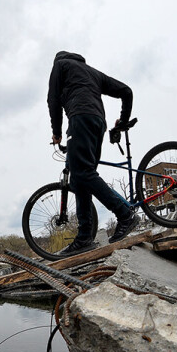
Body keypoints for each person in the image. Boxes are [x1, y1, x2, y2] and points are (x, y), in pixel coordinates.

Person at [47, 51, 139, 255]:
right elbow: (126, 91)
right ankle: (84, 238)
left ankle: (125, 214)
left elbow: (53, 100)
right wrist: (123, 121)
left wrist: (56, 133)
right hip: (98, 124)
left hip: (80, 119)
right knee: (81, 179)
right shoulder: (92, 72)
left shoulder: (60, 66)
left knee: (84, 174)